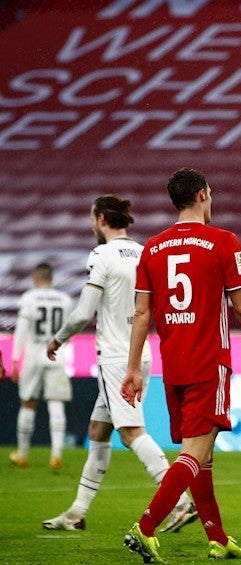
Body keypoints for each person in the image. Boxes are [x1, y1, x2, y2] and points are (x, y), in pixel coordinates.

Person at [120, 167, 241, 563]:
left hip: (174, 362)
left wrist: (133, 368)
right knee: (194, 452)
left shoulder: (152, 248)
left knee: (203, 456)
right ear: (204, 195)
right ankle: (146, 526)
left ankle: (217, 537)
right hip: (209, 362)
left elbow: (141, 314)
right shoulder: (223, 241)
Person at [42, 195, 197, 533]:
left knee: (131, 432)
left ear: (100, 219)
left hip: (115, 358)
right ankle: (76, 513)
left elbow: (84, 312)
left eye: (91, 219)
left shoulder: (102, 254)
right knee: (99, 431)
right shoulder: (145, 253)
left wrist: (57, 340)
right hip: (140, 352)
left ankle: (180, 501)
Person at [9, 262, 73, 469]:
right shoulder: (64, 300)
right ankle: (56, 456)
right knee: (56, 403)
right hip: (56, 355)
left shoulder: (29, 298)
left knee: (28, 402)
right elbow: (70, 328)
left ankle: (23, 454)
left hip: (33, 356)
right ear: (51, 278)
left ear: (36, 278)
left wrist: (15, 359)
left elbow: (21, 330)